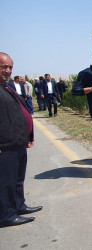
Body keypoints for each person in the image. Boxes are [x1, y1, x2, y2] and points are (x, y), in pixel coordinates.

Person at [0, 52, 42, 228]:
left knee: (18, 178)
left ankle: (18, 205)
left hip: (18, 141)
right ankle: (7, 215)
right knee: (5, 182)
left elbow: (19, 112)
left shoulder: (7, 87)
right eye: (4, 67)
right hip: (5, 145)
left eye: (10, 67)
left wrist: (28, 135)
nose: (8, 70)